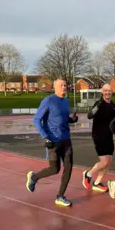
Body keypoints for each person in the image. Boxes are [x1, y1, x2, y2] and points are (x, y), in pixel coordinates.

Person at [26, 78, 79, 207]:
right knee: (54, 169)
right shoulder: (48, 101)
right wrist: (45, 137)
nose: (64, 87)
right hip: (53, 141)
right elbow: (36, 120)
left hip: (66, 139)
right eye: (61, 85)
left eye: (65, 85)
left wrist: (72, 119)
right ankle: (34, 178)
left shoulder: (66, 101)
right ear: (55, 87)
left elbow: (63, 118)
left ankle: (60, 196)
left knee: (69, 167)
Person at [82, 84, 115, 192]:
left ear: (112, 92)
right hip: (98, 135)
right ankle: (88, 174)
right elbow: (89, 115)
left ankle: (97, 183)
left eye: (109, 91)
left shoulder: (114, 106)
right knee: (104, 162)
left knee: (109, 161)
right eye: (105, 91)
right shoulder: (98, 104)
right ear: (102, 92)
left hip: (109, 135)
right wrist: (97, 107)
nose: (107, 92)